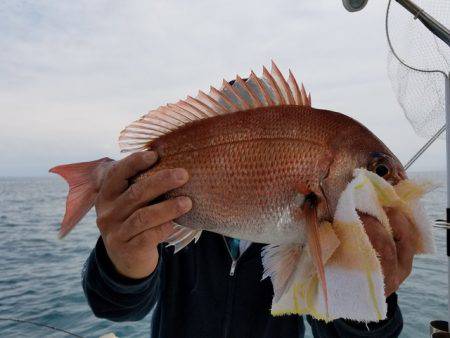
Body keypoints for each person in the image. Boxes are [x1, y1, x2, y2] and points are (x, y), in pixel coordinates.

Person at [83, 151, 414, 338]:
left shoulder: (324, 231)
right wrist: (123, 263)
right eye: (380, 170)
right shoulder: (168, 220)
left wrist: (364, 292)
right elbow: (117, 309)